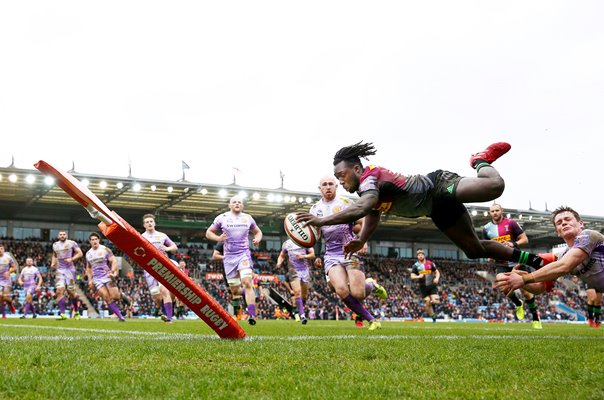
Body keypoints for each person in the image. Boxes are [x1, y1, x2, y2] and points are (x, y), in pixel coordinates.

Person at [296, 141, 549, 270]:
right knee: (473, 250)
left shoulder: (370, 176)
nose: (340, 181)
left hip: (438, 186)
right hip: (436, 209)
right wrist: (362, 240)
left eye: (341, 175)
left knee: (494, 187)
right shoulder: (366, 189)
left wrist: (321, 221)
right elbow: (372, 215)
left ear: (356, 168)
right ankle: (534, 260)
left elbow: (365, 207)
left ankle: (480, 161)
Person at [494, 206, 604, 329]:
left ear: (581, 223)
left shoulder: (589, 236)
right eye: (559, 222)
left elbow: (564, 266)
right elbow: (539, 288)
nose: (564, 223)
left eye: (568, 219)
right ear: (557, 231)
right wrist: (520, 280)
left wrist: (525, 278)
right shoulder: (562, 256)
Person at [309, 176, 387, 331]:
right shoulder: (314, 209)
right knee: (341, 289)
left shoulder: (346, 203)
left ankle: (371, 285)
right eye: (324, 184)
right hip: (331, 254)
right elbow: (315, 235)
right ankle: (372, 320)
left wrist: (362, 240)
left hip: (349, 251)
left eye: (331, 183)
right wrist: (317, 254)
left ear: (336, 186)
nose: (328, 187)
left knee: (358, 293)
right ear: (320, 189)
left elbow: (362, 222)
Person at [483, 203, 542, 329]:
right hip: (501, 263)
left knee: (526, 293)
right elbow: (487, 246)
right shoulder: (486, 228)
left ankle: (535, 318)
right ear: (490, 213)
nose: (495, 213)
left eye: (497, 210)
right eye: (492, 211)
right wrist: (489, 255)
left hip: (517, 261)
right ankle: (518, 303)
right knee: (503, 286)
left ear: (501, 211)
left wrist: (513, 244)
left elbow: (524, 240)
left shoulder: (511, 223)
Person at [206, 196, 263, 325]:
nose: (237, 204)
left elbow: (258, 232)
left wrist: (257, 238)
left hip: (244, 255)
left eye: (239, 202)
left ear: (242, 206)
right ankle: (247, 295)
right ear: (229, 205)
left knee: (247, 282)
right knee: (235, 291)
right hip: (229, 258)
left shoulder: (248, 218)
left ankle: (252, 315)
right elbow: (208, 233)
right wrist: (218, 238)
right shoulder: (222, 218)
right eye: (234, 202)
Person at [141, 214, 178, 324]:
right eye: (147, 222)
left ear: (154, 223)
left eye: (151, 221)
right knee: (157, 296)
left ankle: (169, 318)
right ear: (144, 225)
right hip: (149, 268)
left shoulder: (162, 236)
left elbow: (174, 247)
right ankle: (164, 308)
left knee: (165, 290)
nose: (149, 223)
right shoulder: (141, 237)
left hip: (163, 266)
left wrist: (167, 248)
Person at [85, 232, 125, 322]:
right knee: (107, 298)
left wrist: (112, 271)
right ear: (90, 241)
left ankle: (122, 296)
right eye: (92, 240)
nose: (94, 241)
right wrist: (90, 280)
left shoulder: (105, 249)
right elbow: (88, 267)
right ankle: (120, 317)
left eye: (96, 239)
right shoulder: (88, 254)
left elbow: (114, 260)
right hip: (97, 279)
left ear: (99, 240)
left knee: (115, 297)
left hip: (107, 276)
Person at [276, 238, 315, 324]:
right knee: (297, 292)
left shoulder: (305, 240)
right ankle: (302, 316)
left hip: (305, 271)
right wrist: (279, 262)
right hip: (293, 271)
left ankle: (301, 308)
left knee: (304, 296)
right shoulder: (286, 243)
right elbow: (282, 255)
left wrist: (303, 256)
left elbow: (312, 254)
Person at [51, 231, 84, 320]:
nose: (62, 236)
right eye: (61, 234)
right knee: (59, 290)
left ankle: (76, 312)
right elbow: (54, 255)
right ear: (58, 236)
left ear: (66, 235)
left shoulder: (71, 243)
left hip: (70, 270)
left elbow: (80, 253)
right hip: (59, 270)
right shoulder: (55, 245)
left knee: (71, 292)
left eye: (64, 234)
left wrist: (72, 259)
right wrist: (53, 263)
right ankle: (62, 314)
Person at [410, 249, 441, 323]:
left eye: (421, 254)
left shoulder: (430, 263)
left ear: (424, 255)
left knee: (436, 301)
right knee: (427, 303)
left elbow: (437, 272)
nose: (420, 256)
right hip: (423, 287)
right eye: (418, 255)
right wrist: (418, 276)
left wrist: (437, 278)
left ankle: (432, 303)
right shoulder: (415, 265)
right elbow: (412, 276)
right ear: (417, 257)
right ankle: (433, 316)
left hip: (432, 285)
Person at [0, 244, 18, 318]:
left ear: (3, 249)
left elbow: (14, 267)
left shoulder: (8, 257)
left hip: (7, 280)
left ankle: (10, 304)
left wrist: (8, 272)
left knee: (5, 297)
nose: (0, 250)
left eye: (1, 248)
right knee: (0, 297)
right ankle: (4, 315)